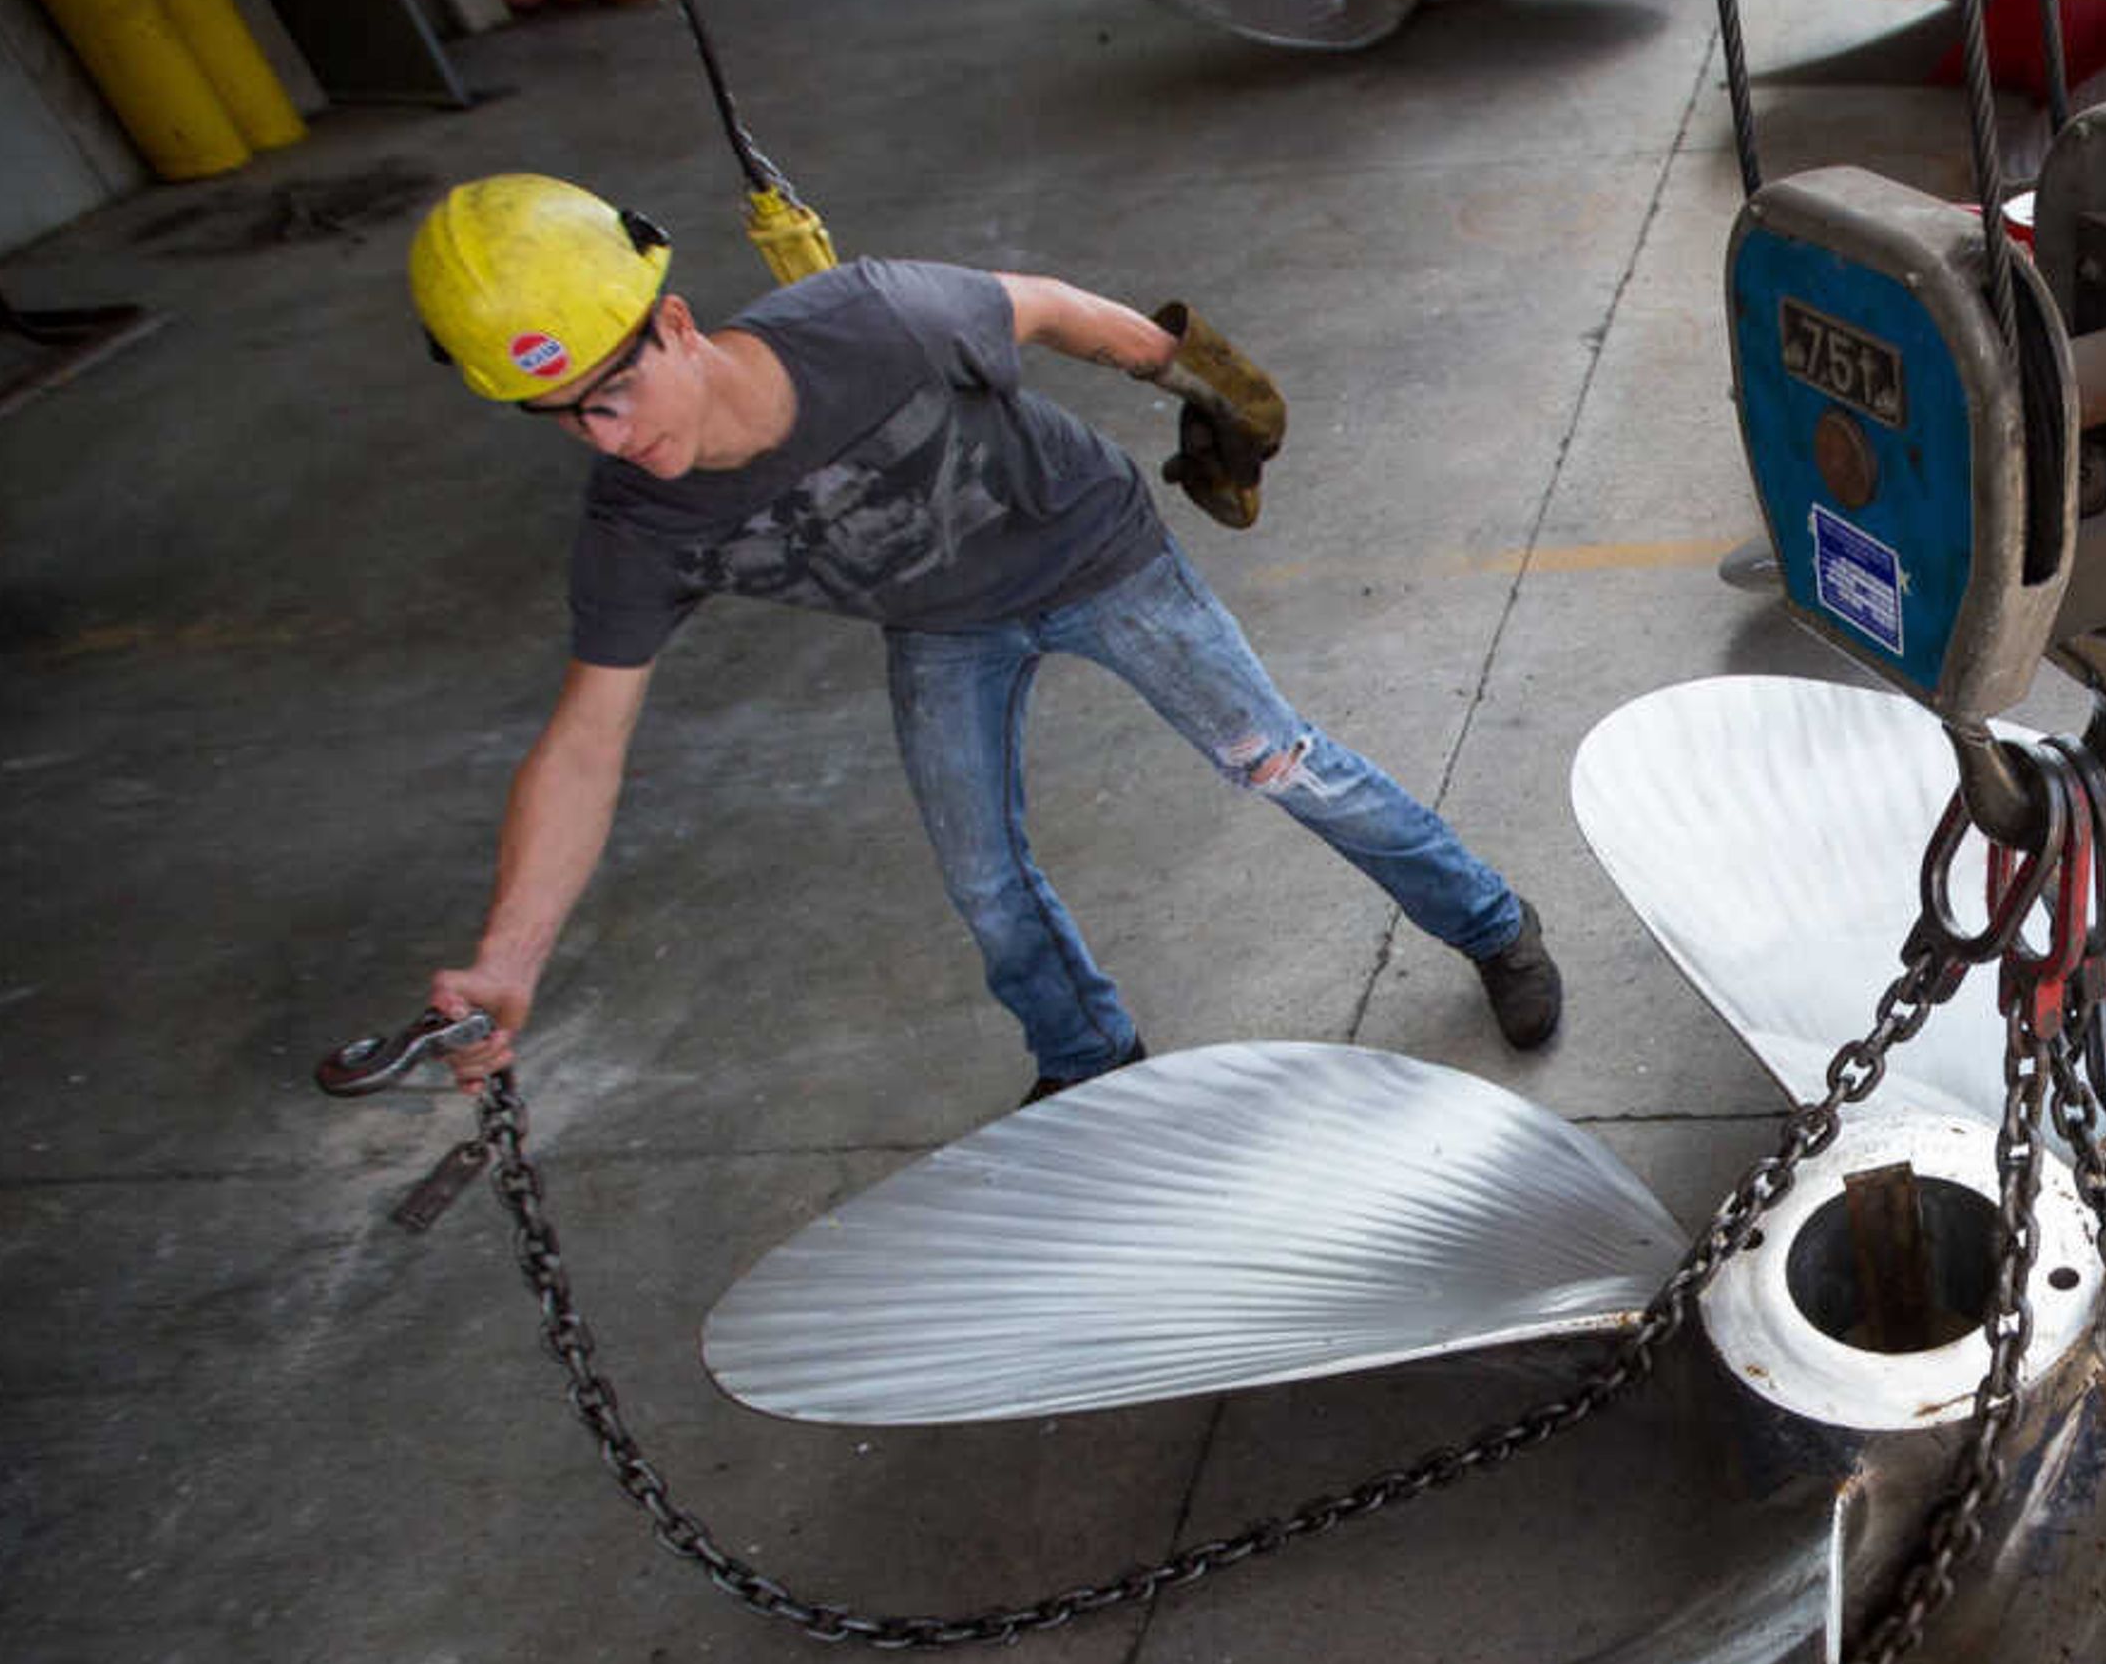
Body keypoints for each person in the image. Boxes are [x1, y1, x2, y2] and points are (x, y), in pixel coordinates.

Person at [400, 173, 1559, 1102]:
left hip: (1091, 554)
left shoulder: (872, 319)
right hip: (942, 623)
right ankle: (1089, 1058)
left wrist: (1190, 378)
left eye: (613, 393)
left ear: (677, 324)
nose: (604, 436)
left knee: (1280, 763)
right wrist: (509, 958)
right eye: (563, 421)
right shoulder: (638, 523)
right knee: (981, 874)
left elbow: (1046, 308)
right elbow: (585, 743)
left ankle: (1494, 922)